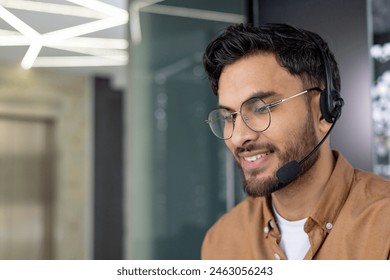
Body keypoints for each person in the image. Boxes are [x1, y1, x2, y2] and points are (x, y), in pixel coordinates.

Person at [202, 23, 390, 260]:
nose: (239, 137)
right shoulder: (222, 241)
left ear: (324, 111)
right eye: (229, 116)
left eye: (261, 108)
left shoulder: (384, 229)